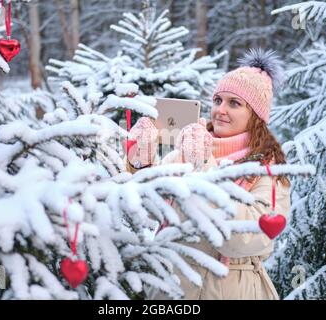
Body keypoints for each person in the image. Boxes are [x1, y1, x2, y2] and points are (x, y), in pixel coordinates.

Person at [123, 48, 291, 300]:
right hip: (172, 291)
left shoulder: (268, 169)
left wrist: (205, 169)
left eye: (234, 103)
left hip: (231, 290)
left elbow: (244, 239)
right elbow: (146, 213)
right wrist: (141, 164)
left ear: (256, 116)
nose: (220, 110)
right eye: (217, 100)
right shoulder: (186, 150)